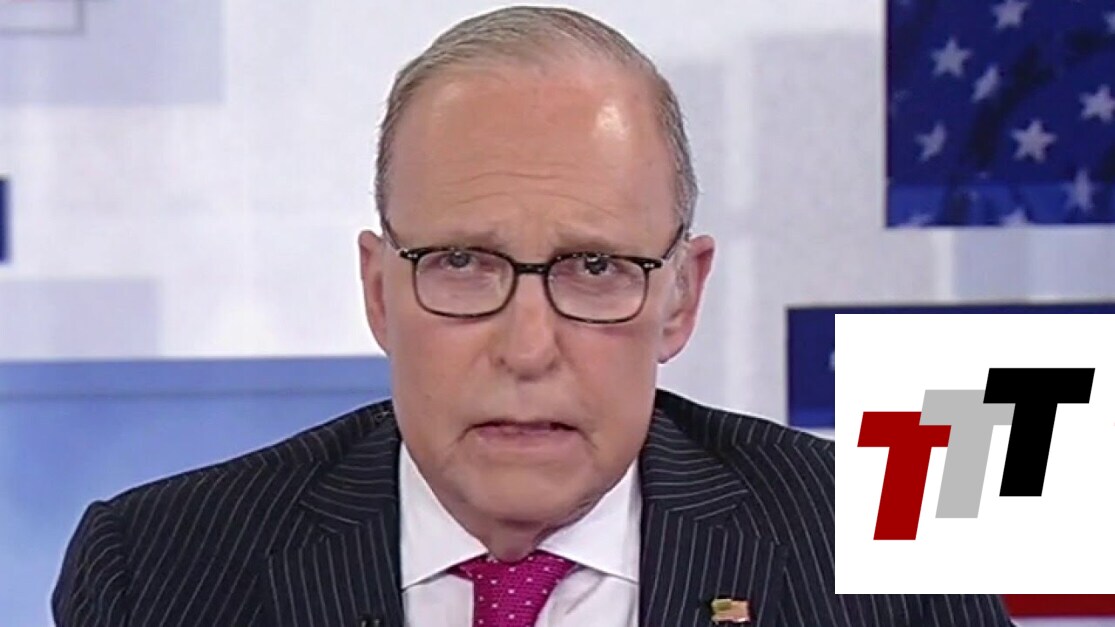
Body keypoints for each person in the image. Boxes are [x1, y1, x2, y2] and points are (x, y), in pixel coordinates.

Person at [52, 5, 1013, 626]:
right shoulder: (157, 571)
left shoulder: (887, 564)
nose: (525, 348)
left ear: (680, 298)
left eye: (594, 267)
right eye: (461, 263)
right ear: (379, 290)